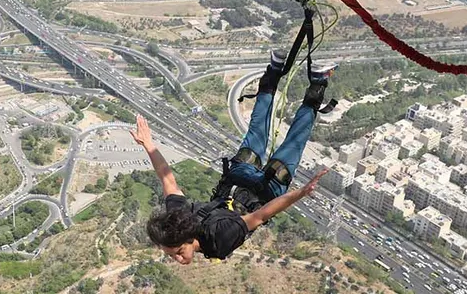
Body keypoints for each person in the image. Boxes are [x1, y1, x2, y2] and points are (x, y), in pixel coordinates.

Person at [132, 51, 333, 264]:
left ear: (189, 239)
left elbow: (260, 216)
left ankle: (316, 81)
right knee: (258, 130)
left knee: (295, 139)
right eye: (171, 255)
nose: (177, 259)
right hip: (238, 177)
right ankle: (275, 70)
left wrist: (301, 193)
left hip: (267, 189)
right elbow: (168, 181)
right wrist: (149, 146)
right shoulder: (179, 221)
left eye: (178, 251)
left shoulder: (218, 242)